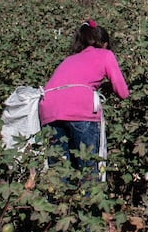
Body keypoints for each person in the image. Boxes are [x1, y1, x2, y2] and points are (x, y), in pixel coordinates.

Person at [39, 19, 129, 179]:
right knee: (88, 168)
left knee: (59, 170)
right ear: (104, 43)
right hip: (79, 109)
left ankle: (60, 202)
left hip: (48, 111)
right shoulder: (105, 54)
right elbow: (122, 92)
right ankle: (89, 201)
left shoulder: (68, 59)